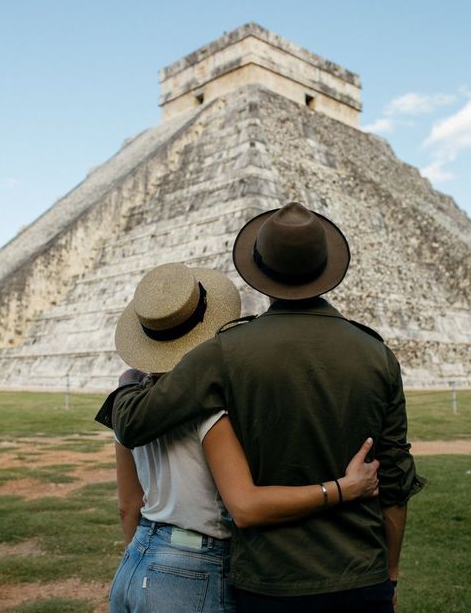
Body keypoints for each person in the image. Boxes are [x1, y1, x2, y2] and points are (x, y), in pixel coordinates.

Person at [97, 203, 426, 612]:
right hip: (360, 574)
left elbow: (131, 424)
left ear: (261, 272)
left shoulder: (225, 352)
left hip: (269, 582)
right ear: (326, 269)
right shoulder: (378, 355)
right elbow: (395, 479)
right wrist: (390, 574)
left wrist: (130, 378)